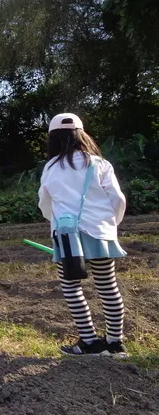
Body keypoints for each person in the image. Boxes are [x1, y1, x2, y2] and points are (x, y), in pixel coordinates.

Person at [38, 113, 128, 357]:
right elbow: (118, 199)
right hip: (100, 233)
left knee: (71, 286)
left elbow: (45, 204)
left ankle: (89, 342)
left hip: (67, 236)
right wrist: (110, 225)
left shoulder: (51, 167)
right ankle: (115, 344)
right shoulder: (99, 164)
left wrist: (56, 222)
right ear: (81, 134)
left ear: (53, 139)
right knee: (108, 286)